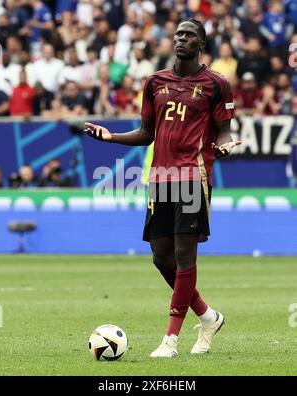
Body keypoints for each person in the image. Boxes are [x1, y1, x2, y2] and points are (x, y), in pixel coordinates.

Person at [83, 18, 241, 358]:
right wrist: (111, 137)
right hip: (160, 178)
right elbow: (146, 132)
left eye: (190, 34)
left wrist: (225, 146)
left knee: (185, 254)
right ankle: (208, 317)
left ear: (201, 42)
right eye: (179, 34)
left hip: (192, 176)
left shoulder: (217, 84)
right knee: (160, 257)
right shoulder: (155, 82)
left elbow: (225, 131)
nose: (182, 38)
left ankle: (170, 339)